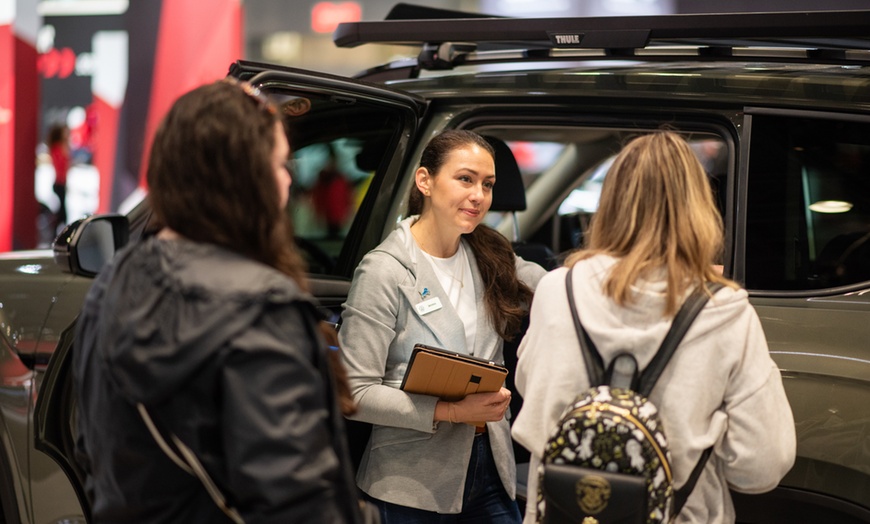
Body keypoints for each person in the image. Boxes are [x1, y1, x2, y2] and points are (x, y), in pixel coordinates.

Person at [73, 79, 366, 523]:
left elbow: (89, 445)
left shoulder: (117, 274)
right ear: (246, 180)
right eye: (280, 164)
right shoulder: (263, 310)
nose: (287, 181)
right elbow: (300, 503)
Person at [511, 131, 796, 523]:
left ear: (609, 203)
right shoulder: (725, 310)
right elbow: (761, 466)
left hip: (564, 510)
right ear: (698, 208)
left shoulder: (557, 288)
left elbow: (531, 390)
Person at [338, 129, 546, 522]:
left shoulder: (490, 251)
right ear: (425, 181)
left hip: (490, 465)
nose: (479, 195)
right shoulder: (384, 270)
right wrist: (450, 411)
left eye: (487, 185)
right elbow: (355, 392)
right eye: (465, 179)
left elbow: (554, 287)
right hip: (411, 483)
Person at [47, 122, 70, 227]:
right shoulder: (57, 149)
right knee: (62, 212)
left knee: (62, 211)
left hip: (62, 183)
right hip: (59, 183)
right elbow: (60, 167)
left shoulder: (62, 147)